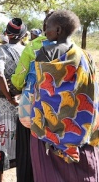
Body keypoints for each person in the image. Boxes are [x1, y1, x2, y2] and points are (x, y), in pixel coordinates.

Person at [30, 10, 99, 181]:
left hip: (49, 132)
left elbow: (42, 90)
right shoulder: (86, 55)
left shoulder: (44, 52)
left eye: (48, 28)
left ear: (59, 30)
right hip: (82, 127)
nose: (45, 32)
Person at [10, 12, 54, 182]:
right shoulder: (76, 50)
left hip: (33, 109)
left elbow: (18, 79)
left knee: (27, 151)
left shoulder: (33, 47)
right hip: (62, 112)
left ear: (44, 27)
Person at [0, 18, 26, 182]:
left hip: (2, 105)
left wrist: (8, 97)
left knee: (1, 144)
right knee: (22, 146)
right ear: (24, 35)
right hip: (23, 104)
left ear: (7, 33)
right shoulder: (27, 51)